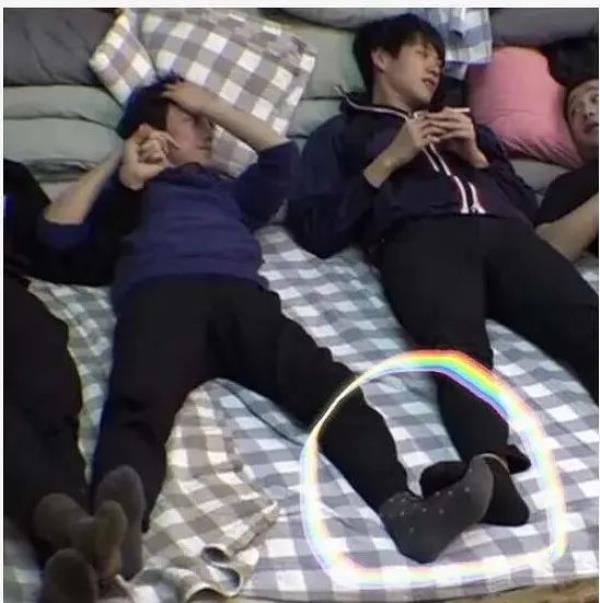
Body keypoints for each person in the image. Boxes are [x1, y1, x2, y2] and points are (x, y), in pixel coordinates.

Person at [39, 74, 498, 565]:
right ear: (151, 130)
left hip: (241, 298)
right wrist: (121, 160)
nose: (210, 129)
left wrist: (211, 103)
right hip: (161, 298)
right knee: (137, 406)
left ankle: (405, 512)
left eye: (209, 120)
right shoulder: (129, 191)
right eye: (193, 120)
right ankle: (113, 536)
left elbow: (281, 156)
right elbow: (54, 233)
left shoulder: (226, 191)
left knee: (333, 390)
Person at [285, 15, 599, 532]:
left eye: (439, 56)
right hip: (420, 238)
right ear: (381, 59)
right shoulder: (341, 133)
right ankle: (491, 474)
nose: (435, 65)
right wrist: (389, 160)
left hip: (505, 235)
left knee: (588, 321)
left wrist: (477, 155)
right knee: (457, 347)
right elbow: (316, 230)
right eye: (422, 52)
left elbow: (528, 211)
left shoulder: (469, 129)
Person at [4, 160, 146, 603]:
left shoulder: (10, 177)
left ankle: (80, 558)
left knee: (49, 389)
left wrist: (124, 179)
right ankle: (81, 537)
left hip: (9, 298)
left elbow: (61, 254)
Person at [536, 78, 599, 261]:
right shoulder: (568, 184)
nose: (587, 112)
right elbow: (545, 250)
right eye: (574, 112)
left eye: (596, 99)